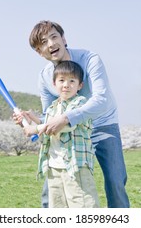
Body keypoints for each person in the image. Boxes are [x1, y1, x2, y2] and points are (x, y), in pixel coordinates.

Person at [15, 20, 130, 208]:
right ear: (38, 51)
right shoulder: (44, 77)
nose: (51, 44)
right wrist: (30, 121)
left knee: (115, 181)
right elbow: (50, 116)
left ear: (63, 38)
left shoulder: (90, 59)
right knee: (50, 188)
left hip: (102, 124)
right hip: (71, 133)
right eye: (43, 42)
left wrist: (67, 118)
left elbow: (101, 100)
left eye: (54, 37)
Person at [23, 60, 100, 208]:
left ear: (80, 85)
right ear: (54, 84)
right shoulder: (53, 107)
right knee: (58, 208)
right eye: (62, 80)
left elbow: (62, 126)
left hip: (76, 166)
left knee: (83, 206)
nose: (66, 85)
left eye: (72, 81)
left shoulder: (80, 104)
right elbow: (48, 127)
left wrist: (36, 128)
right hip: (54, 165)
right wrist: (30, 120)